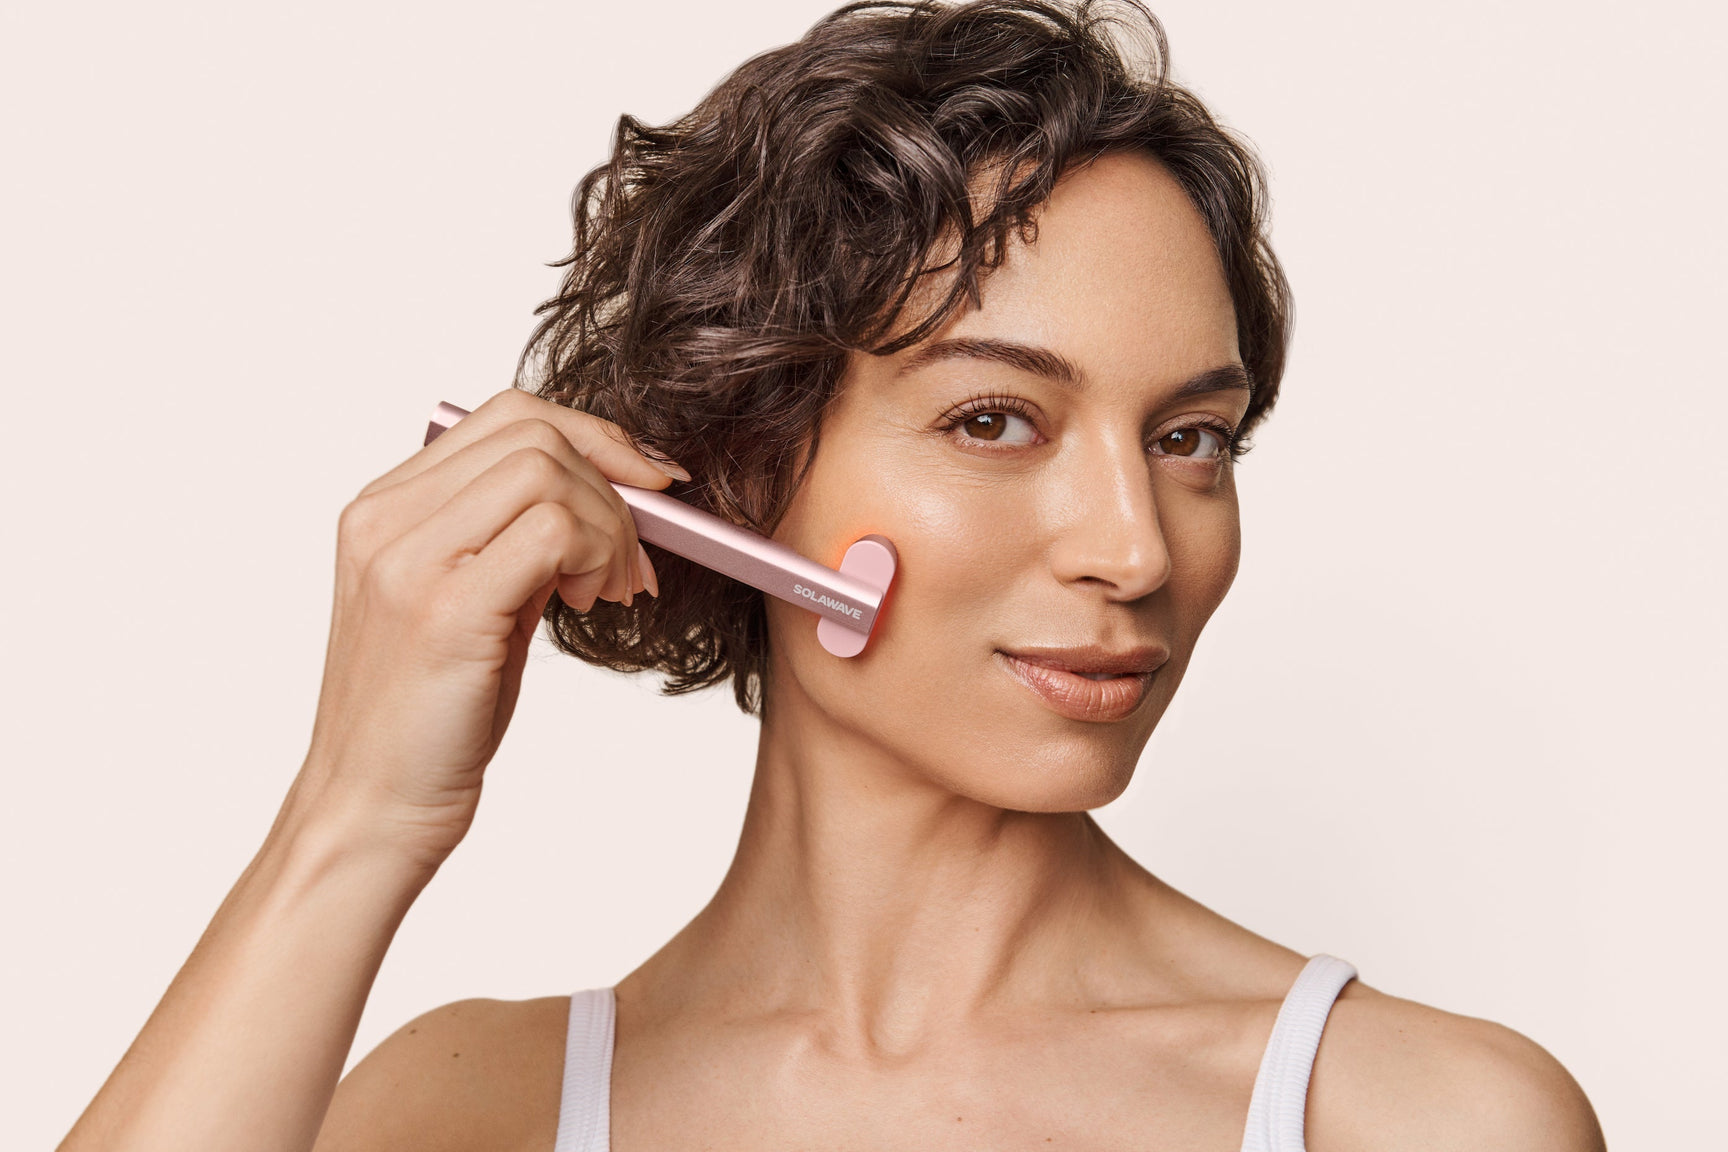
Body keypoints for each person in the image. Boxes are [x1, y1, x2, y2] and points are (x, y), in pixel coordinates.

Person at [60, 2, 1607, 1149]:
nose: (1137, 549)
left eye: (1192, 438)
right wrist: (355, 816)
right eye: (995, 420)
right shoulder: (466, 1110)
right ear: (739, 467)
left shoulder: (1415, 1115)